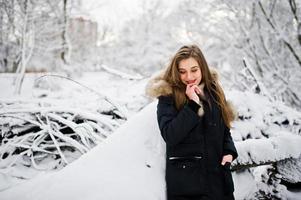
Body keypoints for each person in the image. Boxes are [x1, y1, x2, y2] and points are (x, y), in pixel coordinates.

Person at [146, 44, 238, 200]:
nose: (189, 77)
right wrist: (193, 105)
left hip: (220, 182)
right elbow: (170, 135)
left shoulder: (213, 91)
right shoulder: (167, 94)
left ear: (202, 67)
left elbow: (224, 127)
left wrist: (229, 151)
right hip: (188, 186)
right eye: (182, 71)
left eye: (194, 70)